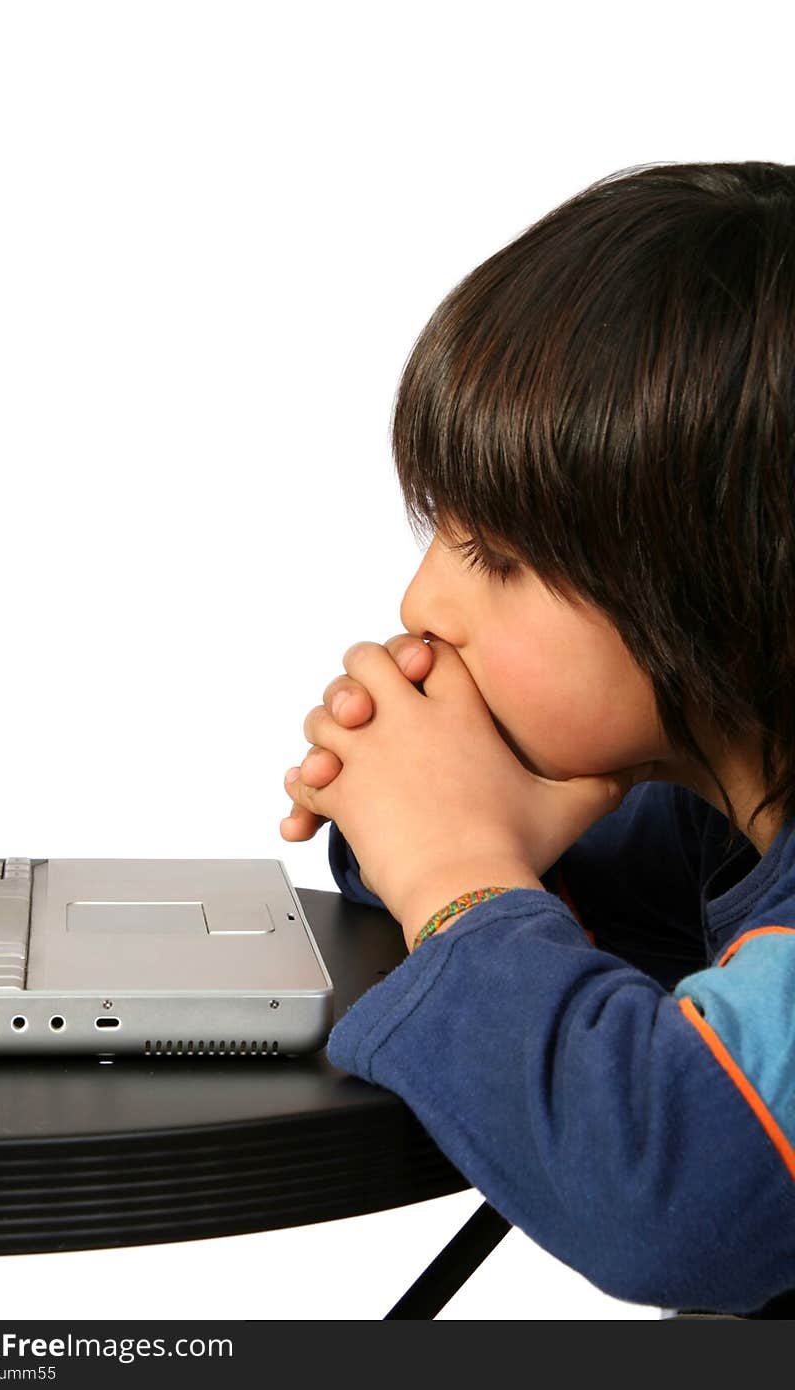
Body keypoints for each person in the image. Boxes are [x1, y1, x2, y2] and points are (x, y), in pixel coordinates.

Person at [279, 160, 795, 1317]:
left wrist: (455, 869)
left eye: (497, 561)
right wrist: (432, 807)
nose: (422, 600)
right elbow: (515, 891)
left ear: (730, 582)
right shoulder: (711, 814)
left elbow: (672, 1182)